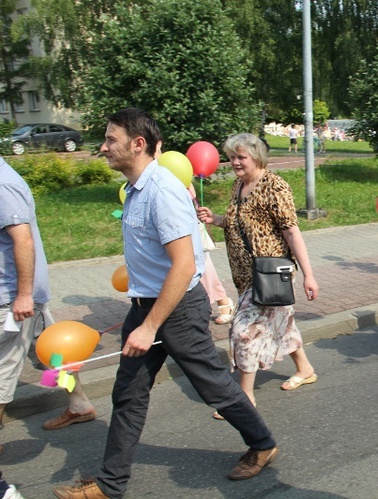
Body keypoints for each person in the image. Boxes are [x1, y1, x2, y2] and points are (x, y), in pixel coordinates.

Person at [52, 109, 278, 499]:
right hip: (147, 307)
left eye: (111, 140)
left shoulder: (163, 191)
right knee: (129, 393)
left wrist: (149, 326)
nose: (103, 147)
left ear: (137, 144)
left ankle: (262, 443)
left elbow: (184, 265)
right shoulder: (138, 189)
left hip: (174, 311)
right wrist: (143, 317)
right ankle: (110, 484)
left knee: (216, 388)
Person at [197, 133, 319, 410]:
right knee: (282, 323)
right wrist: (215, 219)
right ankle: (305, 368)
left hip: (270, 274)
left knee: (244, 330)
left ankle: (245, 396)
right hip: (244, 275)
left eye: (241, 157)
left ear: (256, 156)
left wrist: (309, 275)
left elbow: (291, 232)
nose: (235, 163)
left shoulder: (274, 186)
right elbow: (238, 223)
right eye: (231, 158)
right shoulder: (239, 185)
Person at [0, 156, 96, 433]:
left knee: (4, 370)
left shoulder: (4, 185)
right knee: (56, 356)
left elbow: (23, 240)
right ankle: (79, 404)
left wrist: (24, 295)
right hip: (23, 296)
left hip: (14, 300)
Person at [188, 185, 235, 324]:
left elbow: (190, 191)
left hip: (188, 221)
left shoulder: (174, 166)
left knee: (203, 267)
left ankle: (223, 300)